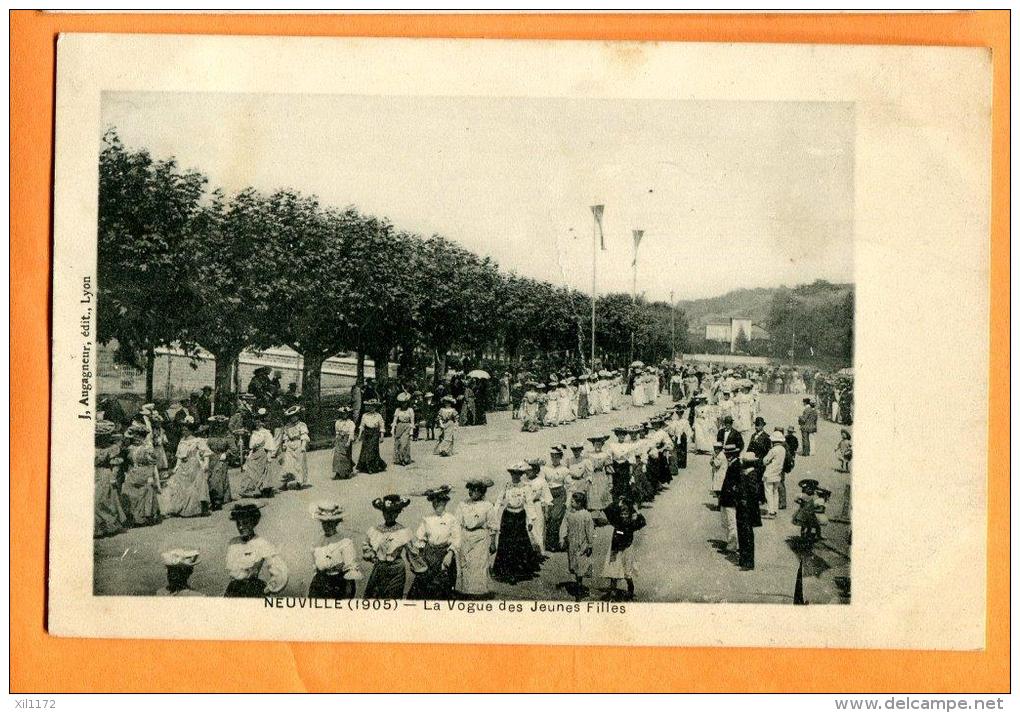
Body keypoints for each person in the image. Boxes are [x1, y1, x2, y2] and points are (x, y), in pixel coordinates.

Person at [224, 502, 289, 597]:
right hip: (233, 589)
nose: (241, 527)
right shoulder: (233, 543)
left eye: (245, 523)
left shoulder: (261, 543)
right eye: (238, 524)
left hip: (253, 589)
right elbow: (232, 569)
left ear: (253, 523)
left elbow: (280, 568)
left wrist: (271, 587)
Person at [491, 462, 541, 584]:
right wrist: (493, 515)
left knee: (518, 544)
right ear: (510, 474)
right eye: (513, 474)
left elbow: (529, 503)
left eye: (518, 474)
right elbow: (498, 501)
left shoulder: (525, 487)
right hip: (508, 516)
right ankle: (506, 571)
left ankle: (518, 572)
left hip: (519, 517)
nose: (515, 476)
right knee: (507, 544)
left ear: (521, 474)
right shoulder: (506, 486)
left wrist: (530, 520)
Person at [407, 485, 460, 600]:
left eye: (439, 502)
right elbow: (421, 537)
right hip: (429, 555)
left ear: (445, 503)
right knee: (424, 585)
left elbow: (457, 539)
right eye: (434, 502)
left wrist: (450, 554)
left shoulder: (451, 519)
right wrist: (418, 551)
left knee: (443, 586)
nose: (436, 505)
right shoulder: (427, 518)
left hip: (444, 554)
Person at [308, 501, 362, 599]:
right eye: (324, 523)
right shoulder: (317, 543)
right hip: (320, 584)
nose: (327, 526)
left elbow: (350, 573)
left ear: (336, 523)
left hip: (339, 585)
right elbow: (316, 569)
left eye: (330, 523)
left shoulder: (345, 542)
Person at [362, 495, 413, 599]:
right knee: (373, 598)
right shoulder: (376, 530)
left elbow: (411, 552)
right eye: (386, 512)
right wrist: (371, 554)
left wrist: (418, 565)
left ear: (398, 513)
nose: (389, 515)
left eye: (393, 512)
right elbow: (367, 546)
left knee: (392, 598)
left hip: (396, 569)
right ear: (382, 512)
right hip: (379, 568)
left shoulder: (403, 531)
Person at [455, 478, 497, 598]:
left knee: (479, 565)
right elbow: (457, 523)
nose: (471, 492)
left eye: (474, 490)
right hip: (465, 536)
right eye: (470, 489)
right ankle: (466, 591)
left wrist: (493, 543)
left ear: (481, 492)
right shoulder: (462, 504)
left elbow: (492, 525)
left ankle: (479, 593)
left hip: (480, 538)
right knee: (466, 564)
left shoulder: (487, 506)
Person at [601, 497, 646, 601]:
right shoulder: (617, 521)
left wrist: (637, 511)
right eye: (622, 514)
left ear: (630, 515)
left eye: (626, 514)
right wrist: (619, 503)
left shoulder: (632, 524)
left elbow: (642, 522)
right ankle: (613, 591)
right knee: (613, 569)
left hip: (627, 548)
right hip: (616, 549)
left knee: (627, 571)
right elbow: (608, 510)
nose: (623, 516)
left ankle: (630, 590)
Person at [120, 425, 161, 527]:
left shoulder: (147, 448)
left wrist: (151, 476)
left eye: (138, 436)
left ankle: (145, 517)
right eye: (134, 436)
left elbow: (152, 463)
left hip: (145, 471)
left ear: (142, 437)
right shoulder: (130, 448)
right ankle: (132, 516)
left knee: (144, 492)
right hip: (133, 472)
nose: (136, 439)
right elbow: (128, 461)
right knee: (128, 490)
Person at [560, 491, 597, 601]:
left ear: (580, 503)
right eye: (571, 500)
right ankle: (578, 582)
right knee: (574, 564)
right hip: (572, 543)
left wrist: (590, 544)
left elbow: (590, 530)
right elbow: (564, 526)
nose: (571, 502)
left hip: (582, 543)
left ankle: (579, 587)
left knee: (581, 564)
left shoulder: (586, 515)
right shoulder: (569, 513)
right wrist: (562, 538)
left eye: (574, 501)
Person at [94, 420, 127, 538]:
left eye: (102, 436)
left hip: (104, 474)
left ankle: (107, 525)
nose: (99, 438)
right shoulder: (92, 447)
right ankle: (98, 528)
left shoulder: (112, 448)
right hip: (93, 473)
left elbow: (116, 465)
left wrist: (113, 478)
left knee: (100, 501)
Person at [237, 409, 276, 498]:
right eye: (256, 422)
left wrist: (269, 456)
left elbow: (269, 445)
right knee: (250, 470)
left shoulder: (266, 433)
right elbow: (251, 446)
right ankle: (248, 489)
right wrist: (249, 455)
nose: (257, 424)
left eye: (259, 422)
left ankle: (259, 489)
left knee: (261, 471)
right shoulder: (254, 433)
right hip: (254, 453)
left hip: (262, 453)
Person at [542, 447, 571, 553]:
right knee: (547, 517)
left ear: (560, 457)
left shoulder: (564, 470)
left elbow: (569, 486)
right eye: (552, 457)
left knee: (555, 517)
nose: (554, 459)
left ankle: (556, 543)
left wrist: (568, 500)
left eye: (557, 457)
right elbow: (542, 482)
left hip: (559, 494)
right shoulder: (545, 468)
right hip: (548, 493)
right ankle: (548, 543)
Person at [277, 405, 310, 490]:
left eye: (294, 416)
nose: (293, 418)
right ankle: (286, 483)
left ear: (298, 416)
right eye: (291, 417)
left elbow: (304, 435)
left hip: (298, 443)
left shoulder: (302, 425)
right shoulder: (287, 426)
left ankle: (299, 482)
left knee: (299, 464)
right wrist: (285, 444)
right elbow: (286, 436)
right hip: (290, 445)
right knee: (288, 463)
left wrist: (303, 446)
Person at [205, 415, 234, 511]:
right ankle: (218, 497)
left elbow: (234, 449)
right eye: (216, 425)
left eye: (220, 425)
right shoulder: (211, 435)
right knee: (211, 478)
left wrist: (226, 453)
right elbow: (206, 446)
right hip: (211, 458)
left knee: (217, 478)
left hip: (222, 459)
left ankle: (217, 500)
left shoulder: (228, 436)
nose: (218, 427)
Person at [356, 399, 387, 473]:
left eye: (373, 406)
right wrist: (359, 436)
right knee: (365, 449)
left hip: (375, 433)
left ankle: (372, 467)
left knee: (372, 449)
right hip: (367, 433)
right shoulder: (364, 416)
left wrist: (382, 436)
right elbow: (362, 426)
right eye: (369, 406)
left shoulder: (378, 416)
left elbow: (382, 426)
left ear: (376, 407)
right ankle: (365, 467)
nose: (371, 408)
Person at [761, 430, 787, 518]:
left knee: (768, 492)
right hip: (778, 473)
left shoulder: (773, 450)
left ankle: (770, 511)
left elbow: (765, 461)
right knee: (775, 492)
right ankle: (775, 510)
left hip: (770, 473)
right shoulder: (783, 449)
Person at [584, 434, 613, 512]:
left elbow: (609, 470)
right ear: (593, 444)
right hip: (592, 476)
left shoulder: (605, 455)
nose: (598, 446)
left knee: (602, 494)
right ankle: (594, 517)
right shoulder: (589, 454)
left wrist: (610, 482)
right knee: (592, 496)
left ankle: (601, 516)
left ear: (602, 445)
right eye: (596, 444)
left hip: (601, 477)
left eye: (600, 444)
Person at [391, 393, 415, 466]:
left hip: (407, 426)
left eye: (405, 403)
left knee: (404, 443)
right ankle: (399, 459)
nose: (403, 404)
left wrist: (411, 432)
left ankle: (405, 459)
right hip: (399, 426)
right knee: (398, 443)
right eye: (402, 403)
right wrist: (392, 429)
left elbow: (412, 421)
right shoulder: (397, 410)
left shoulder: (410, 410)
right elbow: (395, 420)